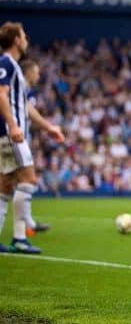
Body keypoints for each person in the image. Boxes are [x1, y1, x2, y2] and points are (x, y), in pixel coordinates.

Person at [0, 22, 64, 254]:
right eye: (24, 35)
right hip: (12, 135)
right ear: (17, 40)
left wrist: (49, 128)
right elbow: (1, 94)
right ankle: (19, 238)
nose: (26, 39)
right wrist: (12, 125)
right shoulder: (7, 63)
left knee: (5, 186)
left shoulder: (13, 66)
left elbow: (25, 106)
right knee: (29, 180)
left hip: (10, 134)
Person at [20, 60, 52, 236]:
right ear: (28, 73)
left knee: (21, 183)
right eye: (36, 72)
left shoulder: (28, 91)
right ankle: (25, 228)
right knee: (26, 181)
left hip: (21, 137)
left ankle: (26, 225)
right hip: (13, 137)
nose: (38, 76)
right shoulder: (16, 85)